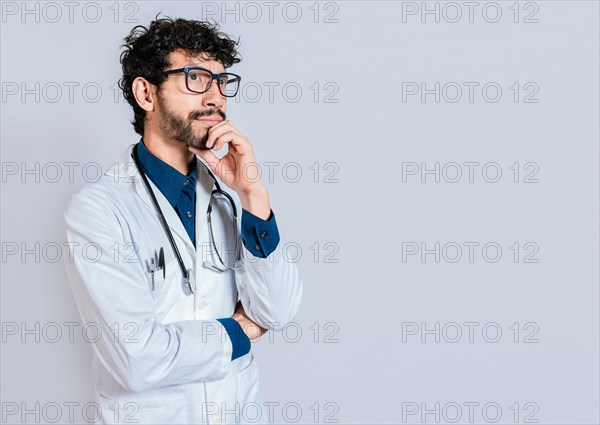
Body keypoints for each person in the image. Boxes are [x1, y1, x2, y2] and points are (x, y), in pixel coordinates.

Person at [63, 16, 303, 425]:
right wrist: (238, 332)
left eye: (221, 81)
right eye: (196, 78)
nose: (215, 98)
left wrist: (254, 196)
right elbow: (138, 360)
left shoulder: (231, 194)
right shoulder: (99, 211)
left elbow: (279, 311)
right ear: (146, 93)